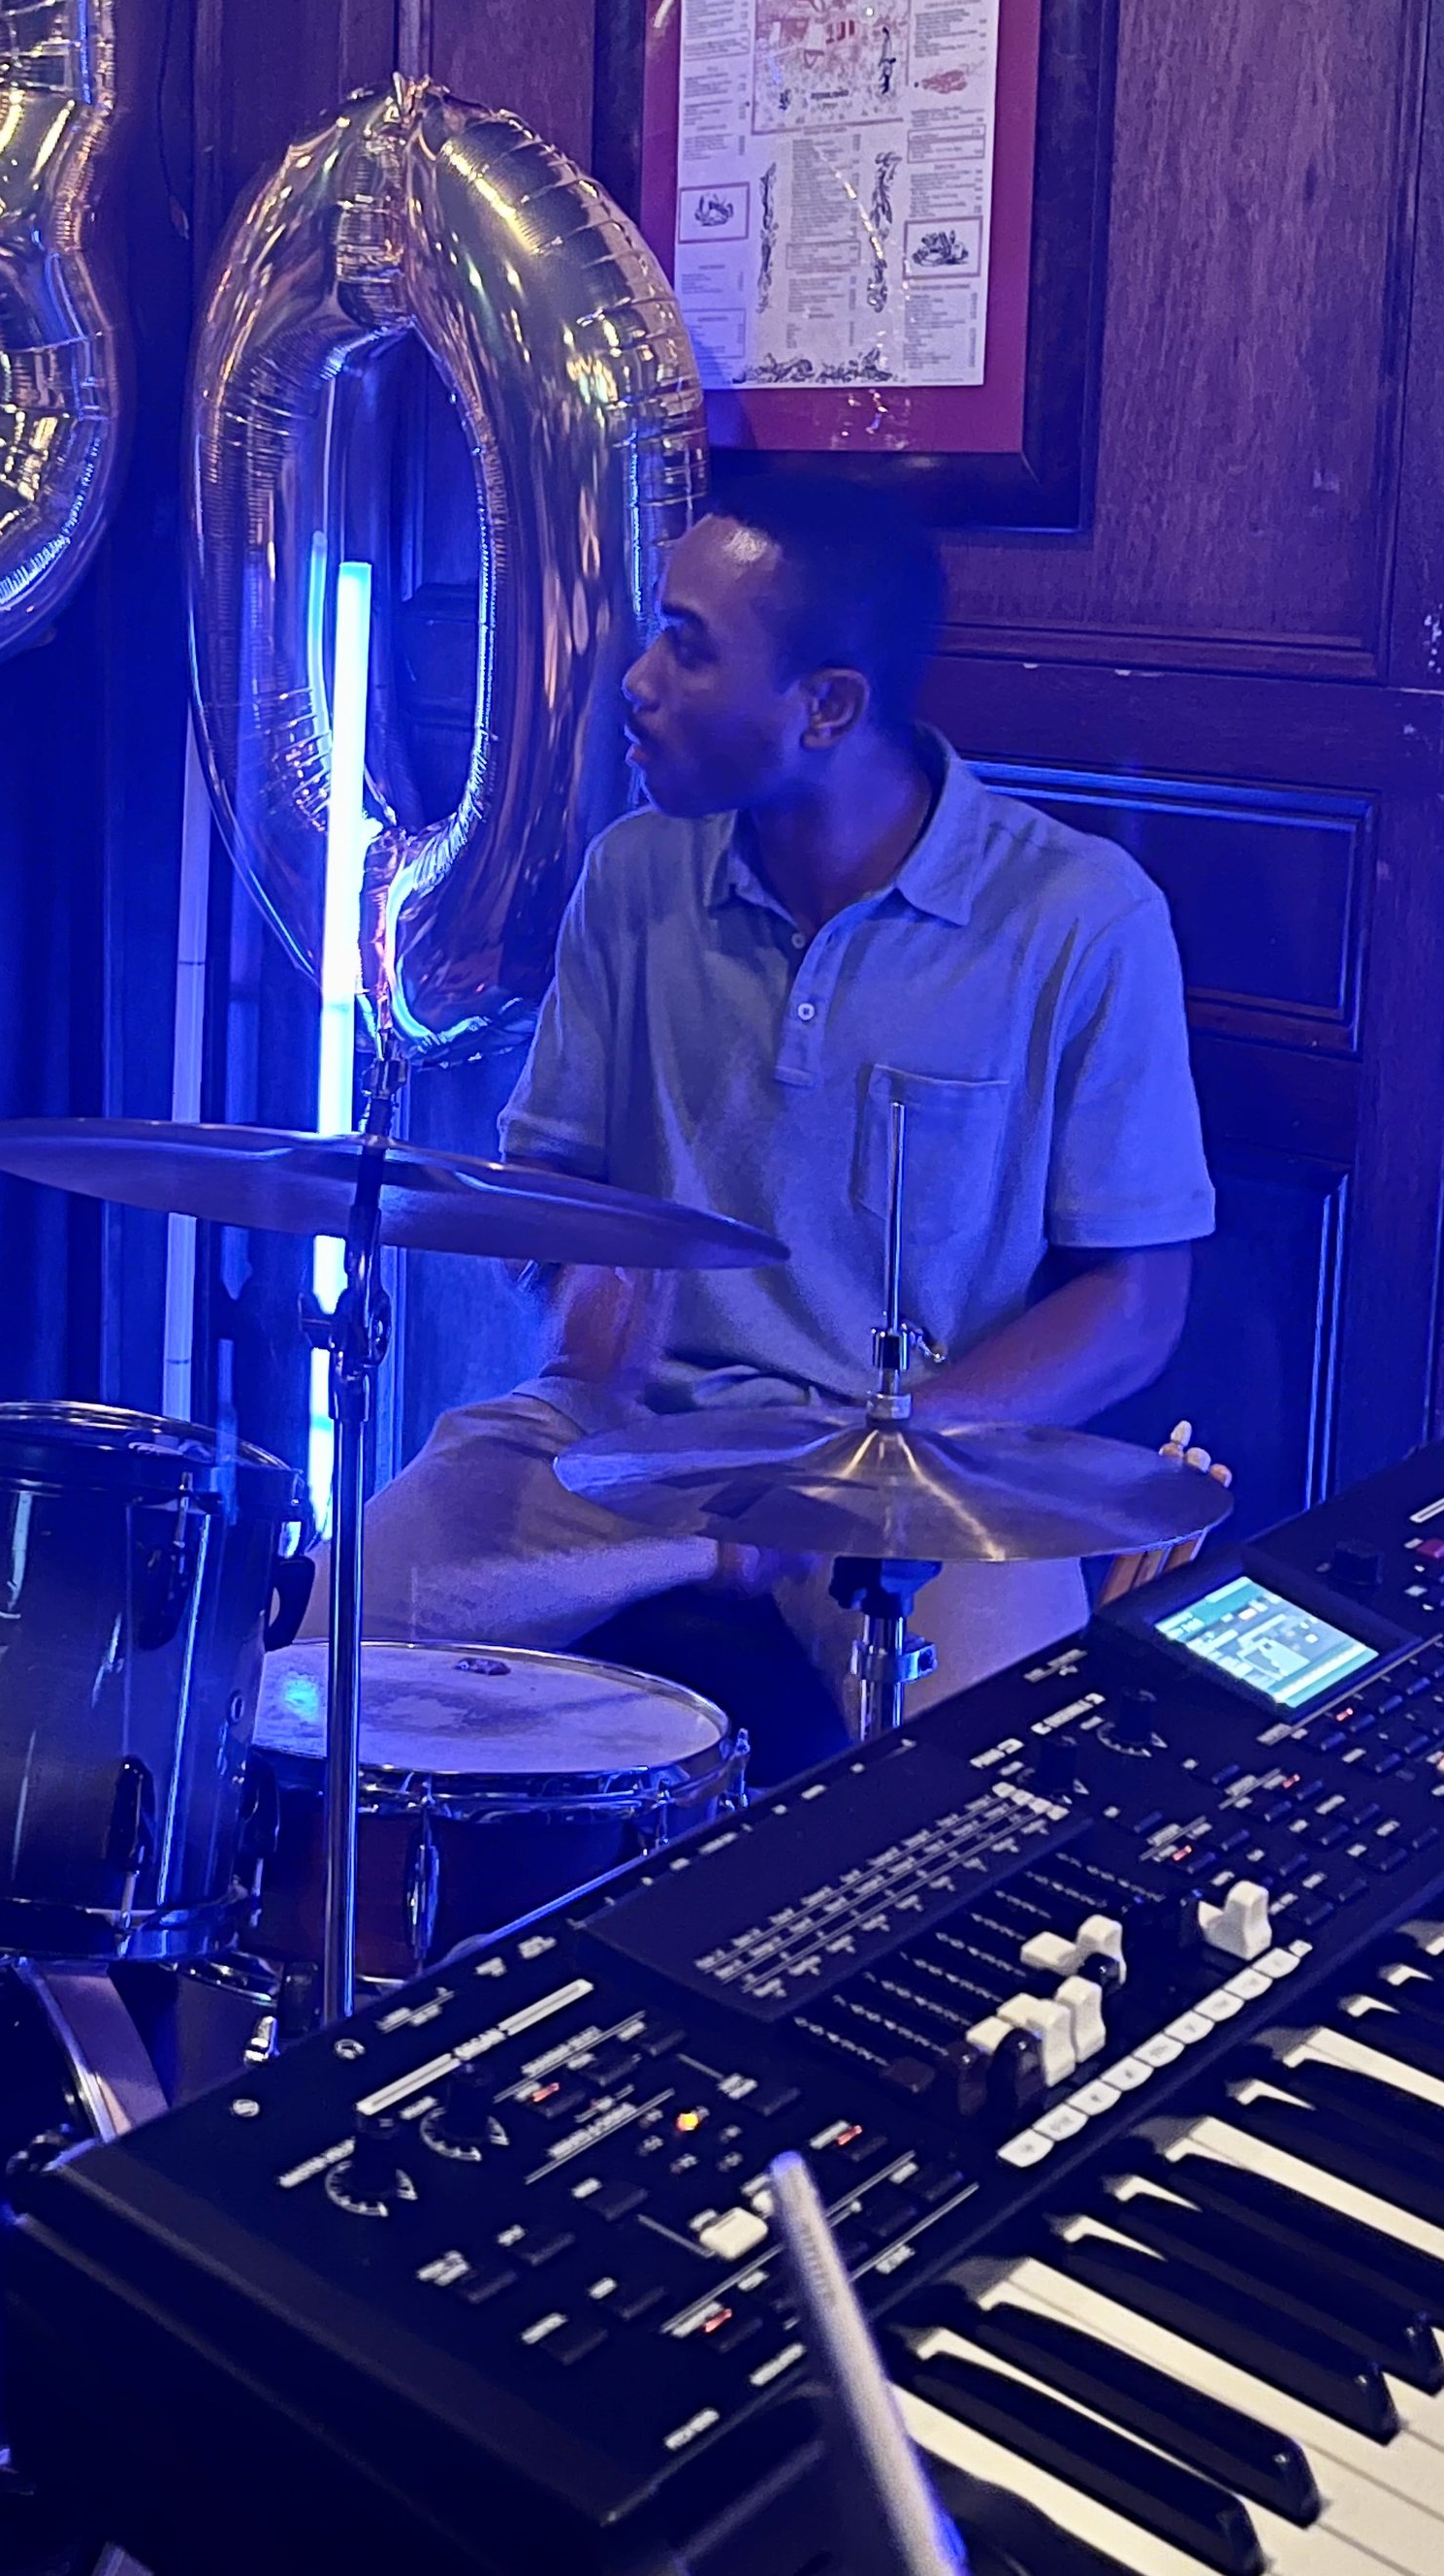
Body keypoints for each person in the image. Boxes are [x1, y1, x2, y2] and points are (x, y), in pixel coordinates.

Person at [344, 472, 1218, 1778]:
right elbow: (553, 1183)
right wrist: (578, 1293)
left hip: (928, 1479)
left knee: (1011, 1777)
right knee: (347, 1623)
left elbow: (1137, 1302)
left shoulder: (1084, 919)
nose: (637, 681)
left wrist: (886, 1450)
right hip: (625, 1450)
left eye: (687, 648)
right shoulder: (633, 876)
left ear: (828, 706)